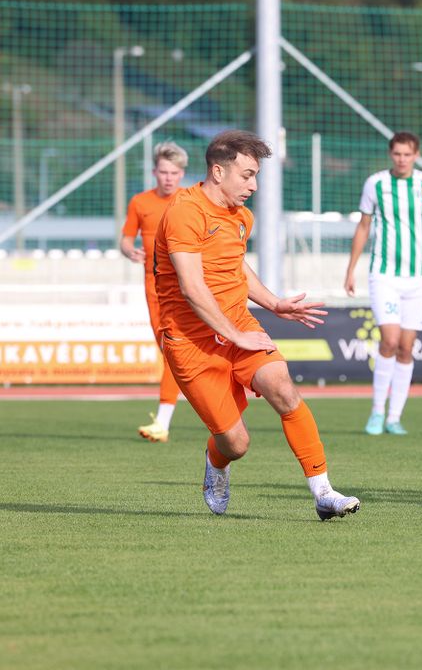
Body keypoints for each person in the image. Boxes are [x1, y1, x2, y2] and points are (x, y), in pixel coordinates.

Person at [154, 130, 359, 519]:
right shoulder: (184, 211)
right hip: (190, 342)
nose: (254, 185)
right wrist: (234, 336)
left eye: (256, 175)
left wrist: (274, 303)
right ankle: (216, 463)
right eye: (247, 175)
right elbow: (191, 286)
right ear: (218, 171)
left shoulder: (241, 217)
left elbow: (236, 269)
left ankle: (324, 492)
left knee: (284, 390)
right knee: (236, 443)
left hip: (239, 327)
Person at [344, 132, 422, 436]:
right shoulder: (376, 183)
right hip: (384, 275)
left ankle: (395, 416)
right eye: (397, 154)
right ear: (390, 155)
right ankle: (377, 412)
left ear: (416, 155)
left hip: (416, 277)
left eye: (407, 154)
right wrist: (351, 269)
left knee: (407, 348)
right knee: (390, 341)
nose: (402, 159)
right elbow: (364, 226)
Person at [122, 142, 188, 443]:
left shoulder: (189, 201)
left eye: (174, 172)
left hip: (187, 285)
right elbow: (125, 239)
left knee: (175, 349)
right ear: (154, 172)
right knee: (169, 349)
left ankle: (163, 421)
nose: (168, 178)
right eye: (163, 172)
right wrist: (129, 251)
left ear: (182, 173)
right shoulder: (139, 202)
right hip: (153, 285)